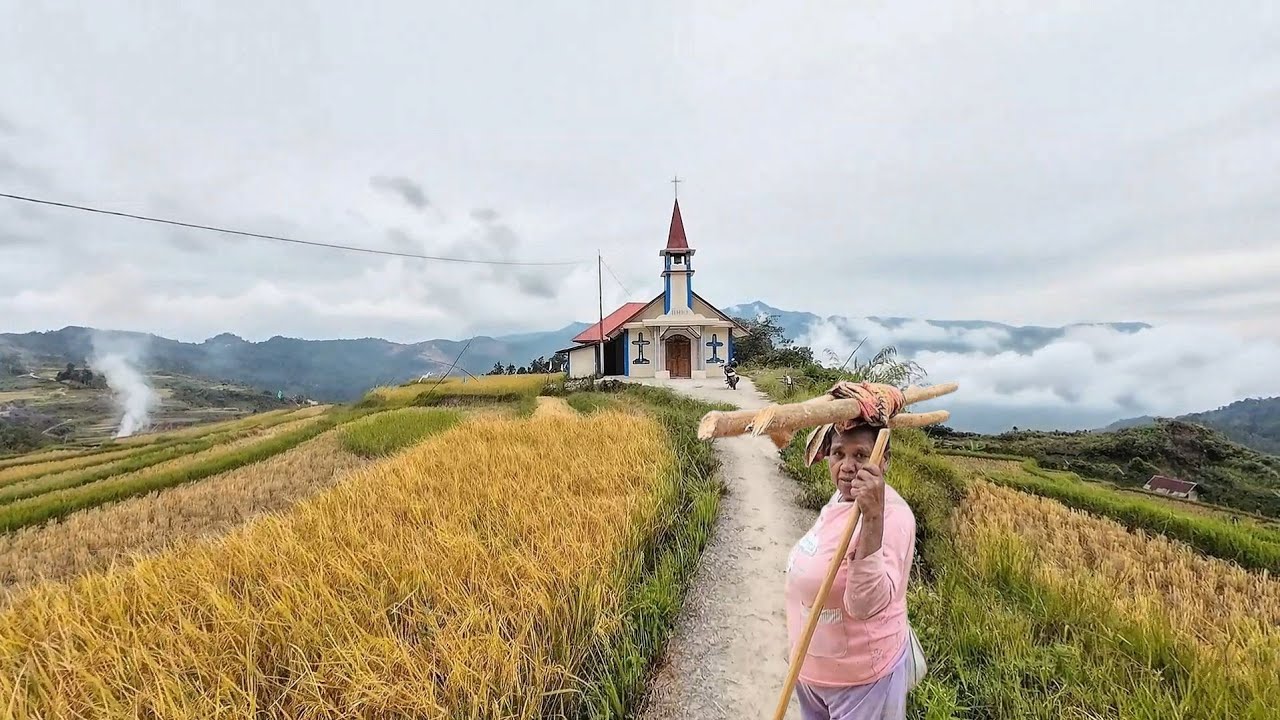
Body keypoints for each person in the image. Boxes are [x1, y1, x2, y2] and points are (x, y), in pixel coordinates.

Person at [783, 382, 924, 720]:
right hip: (814, 670)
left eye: (861, 455)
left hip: (861, 681)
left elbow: (866, 604)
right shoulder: (839, 500)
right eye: (838, 454)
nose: (846, 466)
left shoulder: (893, 516)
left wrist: (872, 517)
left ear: (883, 459)